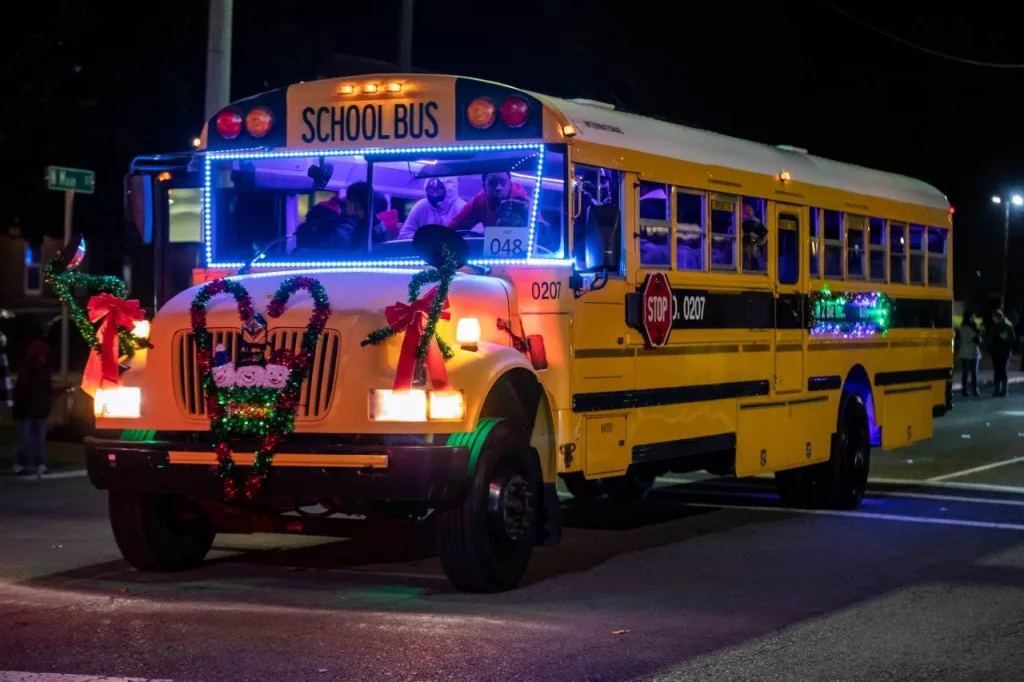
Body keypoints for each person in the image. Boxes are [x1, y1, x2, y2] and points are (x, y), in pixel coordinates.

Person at [11, 340, 52, 475]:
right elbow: (44, 391)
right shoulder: (39, 371)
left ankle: (24, 463)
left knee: (27, 438)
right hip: (34, 409)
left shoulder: (28, 370)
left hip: (31, 410)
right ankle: (34, 463)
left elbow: (19, 392)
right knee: (34, 439)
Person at [448, 171, 530, 233]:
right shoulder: (479, 201)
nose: (498, 188)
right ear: (484, 186)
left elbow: (540, 229)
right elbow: (454, 227)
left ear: (510, 184)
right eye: (492, 184)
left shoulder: (522, 201)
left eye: (503, 183)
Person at [398, 177, 466, 240]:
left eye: (440, 190)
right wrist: (425, 238)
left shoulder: (462, 208)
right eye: (431, 190)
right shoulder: (422, 206)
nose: (435, 195)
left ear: (450, 189)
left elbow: (473, 240)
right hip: (424, 252)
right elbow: (403, 236)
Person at [337, 181, 390, 250]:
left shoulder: (347, 226)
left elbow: (348, 252)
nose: (345, 204)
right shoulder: (377, 221)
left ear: (354, 204)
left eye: (347, 201)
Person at [986, 309, 1016, 397]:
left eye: (994, 317)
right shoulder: (1007, 325)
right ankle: (1003, 390)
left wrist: (1004, 338)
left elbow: (990, 339)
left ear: (996, 317)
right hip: (1002, 351)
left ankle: (999, 390)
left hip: (1000, 351)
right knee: (1001, 370)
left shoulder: (1001, 326)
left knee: (999, 370)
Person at [957, 311, 982, 397]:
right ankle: (969, 390)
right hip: (969, 352)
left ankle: (971, 389)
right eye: (972, 317)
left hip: (970, 352)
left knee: (971, 372)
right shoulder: (965, 327)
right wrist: (977, 331)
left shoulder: (968, 327)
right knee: (969, 372)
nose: (973, 319)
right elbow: (976, 339)